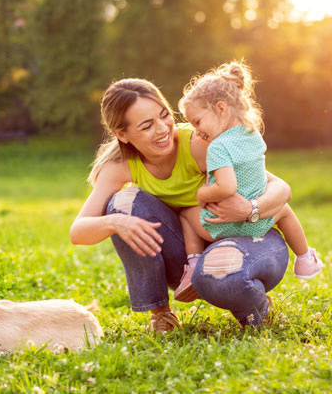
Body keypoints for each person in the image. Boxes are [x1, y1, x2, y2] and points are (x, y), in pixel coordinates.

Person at [69, 77, 292, 332]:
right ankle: (161, 315)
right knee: (123, 204)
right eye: (147, 126)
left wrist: (250, 209)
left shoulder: (201, 143)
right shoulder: (119, 167)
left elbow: (281, 188)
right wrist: (116, 222)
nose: (163, 128)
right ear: (122, 134)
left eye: (164, 115)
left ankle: (255, 308)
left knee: (221, 270)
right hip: (193, 256)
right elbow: (78, 233)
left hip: (253, 239)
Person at [173, 61, 323, 302]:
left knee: (185, 216)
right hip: (260, 221)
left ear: (221, 108)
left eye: (198, 122)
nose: (196, 131)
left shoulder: (219, 147)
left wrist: (203, 194)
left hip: (223, 227)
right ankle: (305, 258)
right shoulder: (252, 133)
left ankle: (193, 265)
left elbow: (227, 187)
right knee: (284, 210)